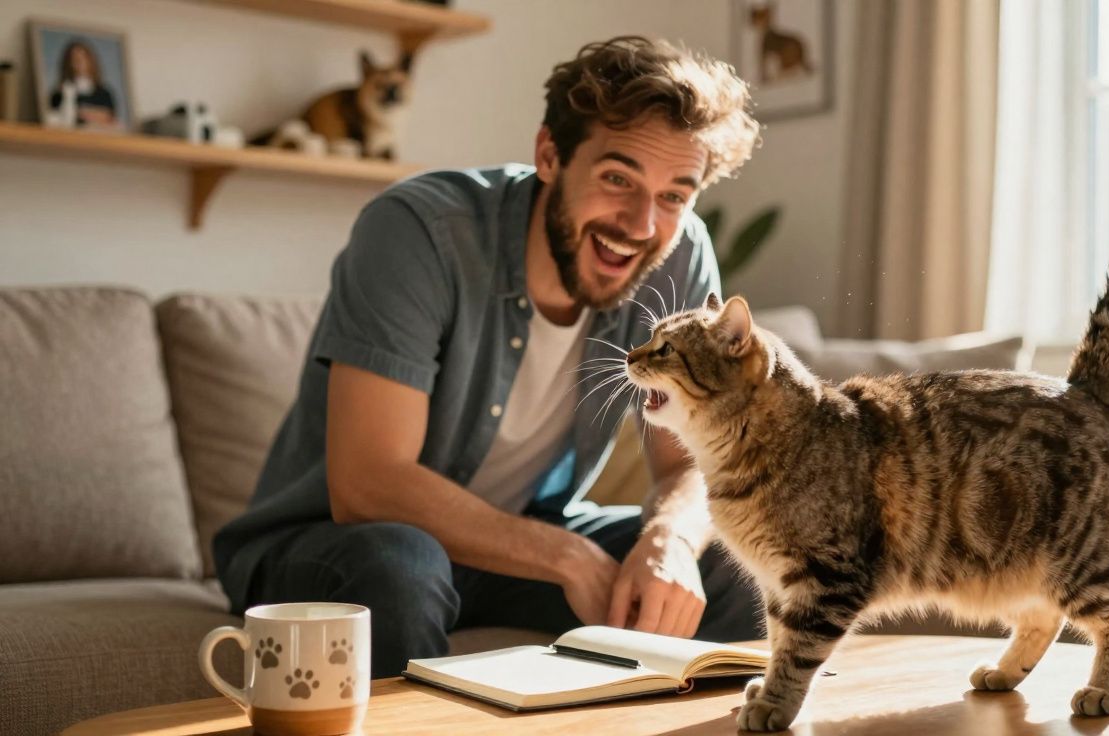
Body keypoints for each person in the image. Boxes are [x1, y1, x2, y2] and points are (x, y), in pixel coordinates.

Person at [214, 36, 766, 677]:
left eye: (676, 194)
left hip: (517, 537)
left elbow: (692, 463)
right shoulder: (419, 232)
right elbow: (367, 484)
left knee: (734, 556)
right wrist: (564, 557)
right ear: (549, 156)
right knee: (400, 565)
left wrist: (669, 539)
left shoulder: (678, 253)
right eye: (618, 178)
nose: (643, 223)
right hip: (334, 543)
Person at [48, 40, 118, 128]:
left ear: (90, 60)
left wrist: (81, 112)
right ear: (68, 63)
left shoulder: (104, 94)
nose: (79, 61)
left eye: (83, 57)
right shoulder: (59, 94)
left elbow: (110, 118)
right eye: (74, 58)